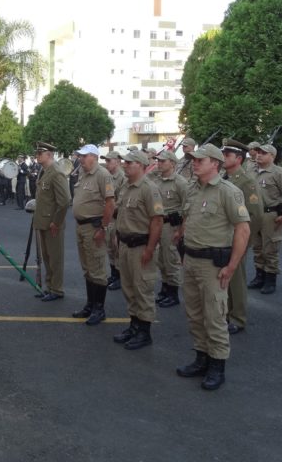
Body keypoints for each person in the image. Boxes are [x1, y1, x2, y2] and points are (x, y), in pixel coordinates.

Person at [175, 144, 250, 391]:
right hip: (193, 260)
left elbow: (243, 229)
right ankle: (201, 358)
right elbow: (188, 222)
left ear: (215, 164)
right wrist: (184, 252)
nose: (195, 163)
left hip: (213, 265)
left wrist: (231, 266)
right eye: (194, 159)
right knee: (195, 314)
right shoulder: (193, 189)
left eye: (200, 160)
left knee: (215, 316)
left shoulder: (228, 192)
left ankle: (217, 366)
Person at [112, 151, 163, 349]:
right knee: (129, 288)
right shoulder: (126, 186)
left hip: (141, 246)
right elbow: (122, 215)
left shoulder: (149, 189)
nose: (125, 165)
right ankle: (134, 326)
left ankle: (144, 332)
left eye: (129, 163)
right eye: (125, 162)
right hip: (125, 245)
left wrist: (150, 249)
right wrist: (117, 237)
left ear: (141, 166)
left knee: (143, 289)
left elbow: (157, 221)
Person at [220, 139, 263, 334]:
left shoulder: (246, 181)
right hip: (222, 239)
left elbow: (254, 215)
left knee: (236, 279)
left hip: (237, 238)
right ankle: (225, 313)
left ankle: (237, 318)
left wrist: (244, 242)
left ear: (238, 158)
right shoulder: (224, 178)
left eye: (227, 155)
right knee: (223, 278)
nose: (223, 158)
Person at [71, 144, 116, 325]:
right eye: (80, 156)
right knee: (88, 268)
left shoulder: (102, 175)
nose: (80, 159)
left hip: (94, 227)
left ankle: (99, 309)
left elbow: (110, 204)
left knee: (97, 269)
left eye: (84, 156)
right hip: (82, 227)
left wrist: (102, 228)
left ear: (94, 157)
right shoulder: (83, 173)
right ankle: (90, 305)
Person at [248, 142, 282, 294]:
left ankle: (270, 279)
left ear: (272, 156)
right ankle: (259, 276)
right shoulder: (252, 171)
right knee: (257, 247)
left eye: (263, 153)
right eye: (258, 152)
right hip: (255, 215)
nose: (259, 154)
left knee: (270, 248)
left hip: (271, 214)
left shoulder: (278, 172)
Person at [31, 142, 72, 302]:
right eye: (37, 153)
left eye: (40, 153)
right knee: (47, 257)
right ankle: (49, 287)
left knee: (55, 258)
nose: (37, 156)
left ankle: (57, 289)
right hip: (43, 221)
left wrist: (56, 222)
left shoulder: (56, 172)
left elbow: (65, 201)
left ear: (49, 155)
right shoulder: (44, 171)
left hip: (53, 224)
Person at [152, 150, 188, 308]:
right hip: (158, 224)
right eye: (158, 161)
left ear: (172, 163)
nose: (159, 163)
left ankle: (173, 293)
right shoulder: (157, 181)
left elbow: (187, 208)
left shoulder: (180, 182)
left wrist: (181, 230)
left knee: (171, 259)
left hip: (171, 225)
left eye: (163, 161)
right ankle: (165, 289)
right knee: (161, 259)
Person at [101, 151, 126, 291]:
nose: (107, 163)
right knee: (110, 248)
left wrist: (109, 210)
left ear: (117, 161)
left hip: (116, 217)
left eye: (109, 161)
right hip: (108, 217)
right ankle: (114, 274)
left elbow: (120, 201)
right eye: (106, 160)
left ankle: (120, 277)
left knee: (117, 248)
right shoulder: (108, 176)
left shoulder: (121, 177)